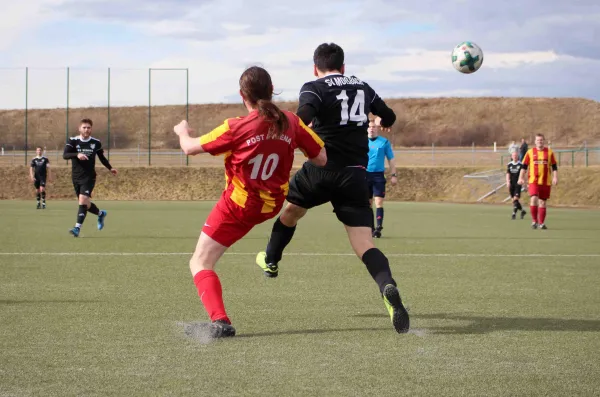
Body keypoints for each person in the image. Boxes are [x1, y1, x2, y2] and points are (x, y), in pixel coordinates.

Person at [255, 42, 410, 334]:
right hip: (355, 175)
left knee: (291, 211)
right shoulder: (363, 87)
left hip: (320, 169)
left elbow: (303, 116)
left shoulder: (313, 86)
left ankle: (271, 259)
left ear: (316, 67)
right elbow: (388, 117)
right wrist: (379, 120)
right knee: (364, 242)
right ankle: (386, 285)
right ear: (343, 67)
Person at [174, 66, 326, 338]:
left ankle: (220, 320)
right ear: (271, 90)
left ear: (243, 95)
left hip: (240, 207)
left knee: (200, 262)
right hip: (272, 204)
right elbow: (321, 159)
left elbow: (189, 148)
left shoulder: (236, 127)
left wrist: (182, 130)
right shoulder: (291, 121)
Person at [63, 118, 117, 237]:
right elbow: (65, 155)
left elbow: (102, 157)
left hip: (89, 177)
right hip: (76, 177)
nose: (86, 130)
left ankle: (77, 228)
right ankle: (100, 213)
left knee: (82, 201)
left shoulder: (95, 142)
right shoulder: (73, 141)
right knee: (85, 204)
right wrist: (77, 154)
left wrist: (110, 168)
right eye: (84, 127)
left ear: (91, 129)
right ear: (79, 128)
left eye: (89, 127)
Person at [518, 133, 558, 230]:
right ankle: (534, 221)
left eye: (541, 140)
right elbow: (524, 167)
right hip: (533, 181)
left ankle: (541, 223)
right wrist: (521, 178)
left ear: (543, 141)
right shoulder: (530, 152)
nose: (539, 142)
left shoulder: (549, 152)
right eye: (538, 140)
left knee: (542, 203)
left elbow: (554, 166)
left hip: (545, 181)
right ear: (535, 142)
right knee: (533, 198)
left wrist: (555, 177)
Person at [367, 117, 397, 238]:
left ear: (377, 129)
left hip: (378, 176)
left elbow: (391, 159)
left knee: (378, 201)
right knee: (367, 204)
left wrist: (393, 174)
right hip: (364, 175)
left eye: (374, 127)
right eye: (369, 127)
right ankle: (370, 227)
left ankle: (378, 228)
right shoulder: (361, 141)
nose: (371, 129)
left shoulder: (384, 142)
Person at [506, 151, 526, 220]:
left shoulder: (521, 164)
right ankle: (523, 211)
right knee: (514, 201)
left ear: (518, 156)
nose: (515, 157)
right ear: (511, 157)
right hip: (511, 184)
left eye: (516, 155)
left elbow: (523, 173)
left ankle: (514, 213)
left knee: (515, 199)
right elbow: (508, 174)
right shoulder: (509, 164)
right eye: (513, 155)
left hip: (518, 184)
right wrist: (507, 182)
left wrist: (524, 182)